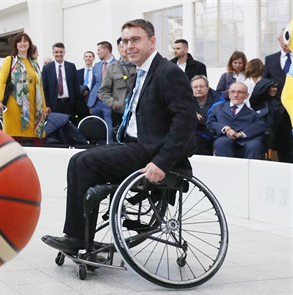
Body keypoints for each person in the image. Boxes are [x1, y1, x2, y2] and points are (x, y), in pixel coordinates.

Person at [42, 19, 198, 255]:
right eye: (125, 41)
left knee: (84, 162)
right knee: (77, 160)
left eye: (135, 39)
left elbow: (185, 121)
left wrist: (162, 162)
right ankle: (78, 235)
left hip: (152, 152)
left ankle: (77, 238)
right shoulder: (140, 73)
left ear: (152, 41)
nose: (128, 46)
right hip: (134, 143)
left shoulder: (168, 72)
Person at [0, 32, 47, 145]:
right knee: (14, 141)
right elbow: (1, 82)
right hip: (14, 106)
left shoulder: (35, 63)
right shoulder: (10, 60)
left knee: (38, 138)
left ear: (29, 44)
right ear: (16, 45)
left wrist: (44, 107)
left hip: (34, 107)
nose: (22, 43)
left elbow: (40, 87)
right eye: (19, 41)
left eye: (25, 41)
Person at [207, 82, 267, 159]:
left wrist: (240, 134)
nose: (235, 95)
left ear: (247, 95)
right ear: (228, 94)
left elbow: (261, 125)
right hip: (224, 138)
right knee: (222, 142)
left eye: (240, 92)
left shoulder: (252, 113)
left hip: (245, 140)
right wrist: (225, 128)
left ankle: (250, 170)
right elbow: (210, 123)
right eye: (233, 92)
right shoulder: (218, 108)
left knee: (255, 145)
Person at [98, 37, 137, 131]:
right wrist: (115, 104)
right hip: (119, 112)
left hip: (137, 112)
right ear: (118, 49)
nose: (125, 49)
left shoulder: (138, 66)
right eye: (122, 46)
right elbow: (103, 91)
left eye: (127, 46)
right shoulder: (111, 68)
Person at [251, 78, 291, 162]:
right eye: (271, 87)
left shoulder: (281, 101)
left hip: (282, 135)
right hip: (263, 135)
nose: (275, 89)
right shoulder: (257, 103)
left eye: (276, 87)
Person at [41, 42, 81, 121]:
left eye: (61, 52)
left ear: (64, 52)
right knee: (56, 128)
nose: (59, 54)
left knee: (69, 127)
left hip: (69, 103)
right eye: (56, 52)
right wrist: (46, 105)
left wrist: (77, 103)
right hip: (54, 104)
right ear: (53, 53)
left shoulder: (71, 66)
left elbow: (76, 86)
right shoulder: (47, 68)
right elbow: (44, 88)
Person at [87, 41, 116, 133]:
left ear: (106, 50)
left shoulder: (118, 65)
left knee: (109, 127)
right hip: (96, 102)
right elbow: (94, 83)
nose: (97, 52)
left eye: (99, 50)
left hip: (109, 102)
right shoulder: (97, 65)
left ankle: (109, 145)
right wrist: (91, 100)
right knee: (96, 127)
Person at [191, 75, 223, 155]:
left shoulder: (219, 101)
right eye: (195, 87)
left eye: (201, 86)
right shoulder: (186, 100)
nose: (198, 89)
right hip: (194, 133)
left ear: (208, 87)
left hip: (213, 134)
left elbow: (215, 122)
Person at [263, 27, 291, 97]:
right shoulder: (270, 59)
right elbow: (264, 80)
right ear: (279, 40)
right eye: (284, 39)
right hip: (276, 103)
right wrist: (269, 89)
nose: (287, 42)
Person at [76, 50, 95, 117]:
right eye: (86, 56)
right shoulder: (78, 72)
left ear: (93, 58)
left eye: (90, 56)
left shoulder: (96, 71)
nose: (88, 58)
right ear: (84, 58)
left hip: (93, 97)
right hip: (81, 98)